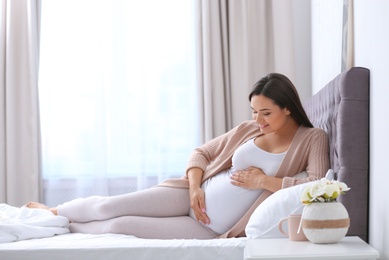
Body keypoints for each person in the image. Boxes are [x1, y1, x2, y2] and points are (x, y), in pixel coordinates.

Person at [27, 73, 330, 239]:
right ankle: (54, 211)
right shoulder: (248, 129)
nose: (259, 120)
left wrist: (265, 181)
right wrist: (196, 188)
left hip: (209, 226)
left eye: (266, 113)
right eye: (254, 112)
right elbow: (201, 153)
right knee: (108, 206)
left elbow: (317, 188)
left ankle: (66, 226)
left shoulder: (312, 138)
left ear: (288, 107)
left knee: (118, 227)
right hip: (188, 196)